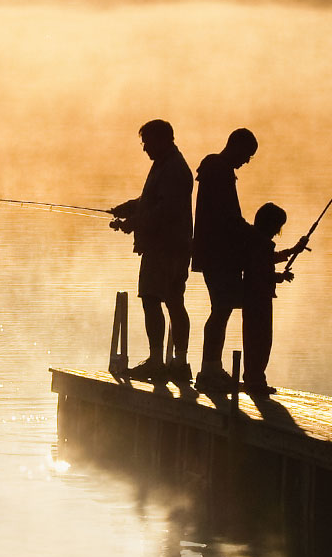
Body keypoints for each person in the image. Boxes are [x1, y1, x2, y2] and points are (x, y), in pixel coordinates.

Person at [110, 119, 194, 384]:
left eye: (147, 142)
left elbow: (165, 210)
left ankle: (158, 362)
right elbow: (155, 202)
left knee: (152, 299)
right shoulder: (169, 165)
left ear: (162, 140)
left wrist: (134, 222)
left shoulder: (172, 168)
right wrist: (130, 207)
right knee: (173, 302)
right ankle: (178, 363)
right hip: (175, 247)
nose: (144, 147)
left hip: (164, 248)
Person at [191, 128, 257, 393]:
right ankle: (209, 371)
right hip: (218, 255)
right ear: (235, 146)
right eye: (247, 154)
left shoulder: (216, 169)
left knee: (222, 310)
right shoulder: (219, 171)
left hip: (213, 253)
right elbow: (227, 218)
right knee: (220, 310)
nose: (247, 161)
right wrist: (254, 235)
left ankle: (213, 367)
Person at [240, 202, 306, 397]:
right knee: (260, 340)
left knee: (254, 339)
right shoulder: (262, 244)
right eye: (277, 226)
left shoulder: (257, 242)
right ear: (270, 225)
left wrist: (292, 251)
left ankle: (254, 378)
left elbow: (268, 260)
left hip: (254, 297)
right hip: (258, 299)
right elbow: (261, 273)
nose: (278, 231)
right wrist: (281, 277)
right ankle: (255, 380)